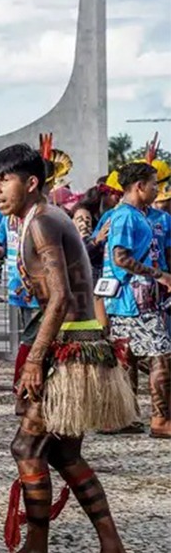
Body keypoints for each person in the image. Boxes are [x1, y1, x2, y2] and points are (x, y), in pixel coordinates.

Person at [0, 142, 137, 553]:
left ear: (30, 183)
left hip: (68, 348)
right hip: (76, 343)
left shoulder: (44, 222)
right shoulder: (38, 218)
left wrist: (36, 361)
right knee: (64, 454)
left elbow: (62, 296)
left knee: (27, 448)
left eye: (3, 180)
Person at [96, 161, 171, 438]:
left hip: (125, 299)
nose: (157, 190)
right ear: (139, 187)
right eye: (153, 185)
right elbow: (121, 257)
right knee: (161, 355)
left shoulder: (128, 215)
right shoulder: (127, 216)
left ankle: (123, 417)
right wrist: (160, 275)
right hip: (135, 299)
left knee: (126, 358)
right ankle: (161, 420)